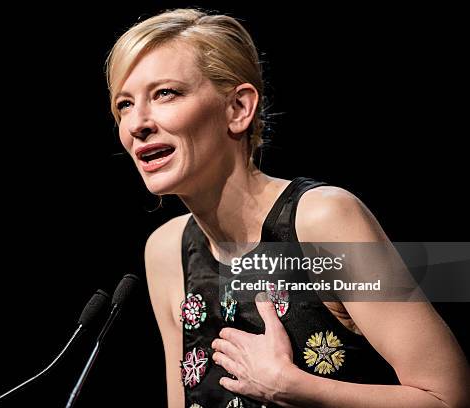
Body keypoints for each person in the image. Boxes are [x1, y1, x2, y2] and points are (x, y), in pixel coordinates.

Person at [105, 8, 469, 408]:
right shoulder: (165, 250)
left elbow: (446, 398)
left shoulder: (322, 220)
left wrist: (295, 387)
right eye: (124, 104)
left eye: (165, 93)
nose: (137, 123)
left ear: (238, 108)